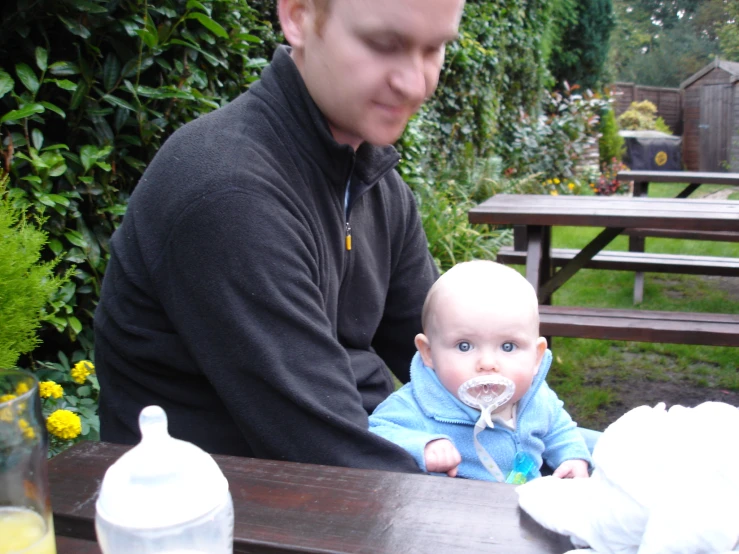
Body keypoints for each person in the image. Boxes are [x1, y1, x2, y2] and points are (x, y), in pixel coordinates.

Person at [93, 0, 466, 472]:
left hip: (351, 472)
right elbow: (333, 458)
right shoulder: (229, 193)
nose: (414, 82)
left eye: (434, 48)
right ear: (298, 17)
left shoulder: (375, 183)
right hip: (234, 516)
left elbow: (455, 353)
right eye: (382, 44)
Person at [369, 260, 592, 480]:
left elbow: (559, 431)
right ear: (429, 353)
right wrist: (422, 446)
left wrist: (572, 458)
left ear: (536, 356)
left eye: (508, 346)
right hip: (460, 509)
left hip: (525, 503)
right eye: (464, 346)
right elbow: (376, 433)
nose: (487, 363)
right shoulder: (416, 406)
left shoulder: (537, 397)